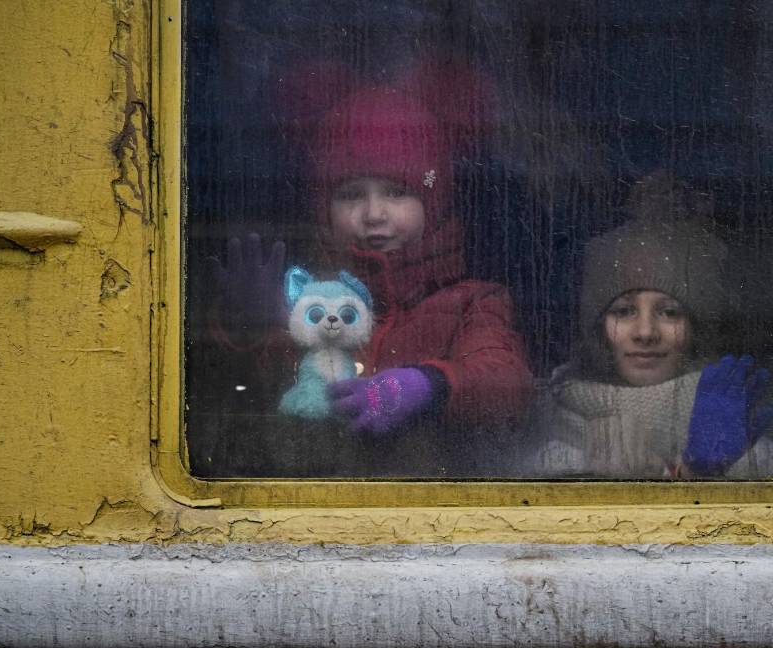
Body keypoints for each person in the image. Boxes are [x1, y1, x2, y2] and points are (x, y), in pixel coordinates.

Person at [199, 76, 533, 477]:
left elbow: (507, 382)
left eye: (396, 192)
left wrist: (428, 385)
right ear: (324, 208)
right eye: (350, 194)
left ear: (434, 199)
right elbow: (249, 398)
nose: (374, 214)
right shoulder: (304, 301)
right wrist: (250, 330)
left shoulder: (472, 302)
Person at [525, 183, 773, 479]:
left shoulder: (748, 449)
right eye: (623, 311)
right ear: (599, 331)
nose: (645, 332)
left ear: (697, 329)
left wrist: (698, 474)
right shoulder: (550, 451)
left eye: (669, 312)